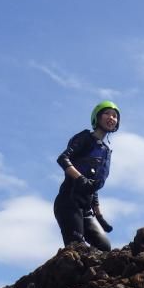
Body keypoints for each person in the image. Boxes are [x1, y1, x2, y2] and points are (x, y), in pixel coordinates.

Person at [54, 101, 119, 251]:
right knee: (77, 248)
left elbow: (92, 186)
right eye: (107, 113)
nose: (111, 117)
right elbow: (63, 159)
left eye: (115, 116)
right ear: (97, 117)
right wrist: (80, 178)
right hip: (69, 201)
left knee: (105, 248)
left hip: (87, 209)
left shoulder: (105, 151)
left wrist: (99, 215)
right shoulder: (85, 137)